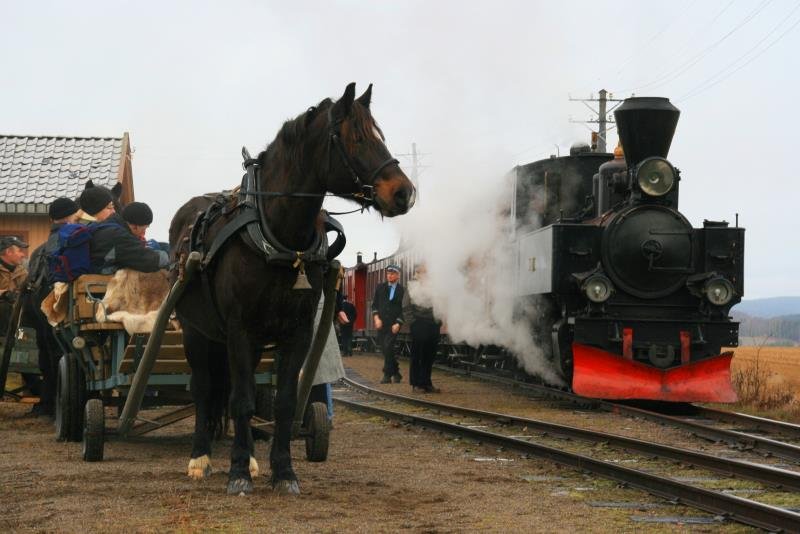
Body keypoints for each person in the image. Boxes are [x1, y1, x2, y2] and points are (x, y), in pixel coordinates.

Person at [78, 188, 169, 274]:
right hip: (103, 276)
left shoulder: (98, 229)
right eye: (109, 207)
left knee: (161, 246)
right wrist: (171, 257)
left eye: (113, 206)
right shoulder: (114, 234)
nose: (114, 211)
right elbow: (147, 260)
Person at [403, 263, 442, 393]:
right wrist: (413, 323)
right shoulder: (412, 286)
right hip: (419, 322)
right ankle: (416, 384)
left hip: (433, 323)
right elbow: (406, 306)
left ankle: (426, 382)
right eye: (421, 272)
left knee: (430, 355)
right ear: (417, 273)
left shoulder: (434, 286)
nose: (424, 275)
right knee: (417, 354)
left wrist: (439, 321)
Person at [371, 264, 405, 384]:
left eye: (392, 274)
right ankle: (396, 372)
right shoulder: (380, 287)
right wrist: (376, 318)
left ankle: (386, 374)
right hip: (381, 323)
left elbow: (404, 309)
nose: (389, 276)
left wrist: (398, 323)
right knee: (384, 347)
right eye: (388, 273)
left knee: (388, 345)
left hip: (394, 324)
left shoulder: (402, 290)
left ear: (398, 275)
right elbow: (374, 305)